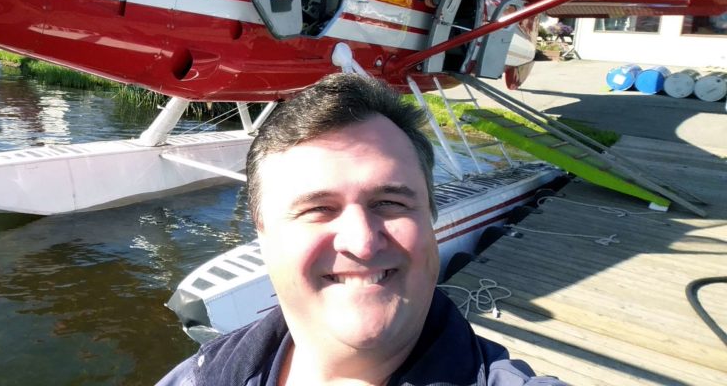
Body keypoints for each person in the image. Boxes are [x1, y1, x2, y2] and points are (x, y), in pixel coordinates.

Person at [158, 73, 566, 385]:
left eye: (390, 203)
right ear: (262, 233)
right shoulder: (197, 375)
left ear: (431, 217)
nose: (363, 242)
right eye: (318, 209)